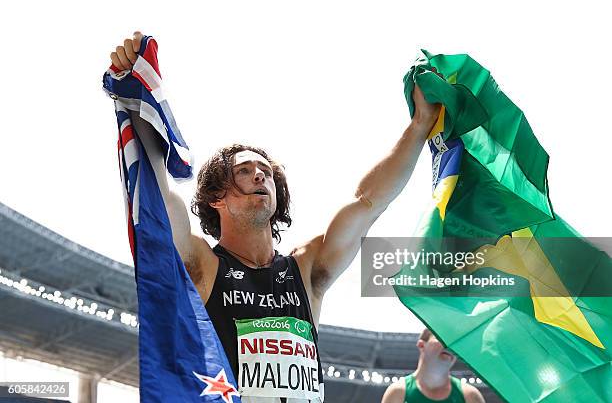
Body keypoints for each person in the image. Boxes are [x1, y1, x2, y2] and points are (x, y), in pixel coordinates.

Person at [109, 31, 441, 402]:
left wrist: (419, 127)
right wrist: (137, 98)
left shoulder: (307, 269)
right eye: (244, 170)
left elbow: (367, 203)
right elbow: (159, 200)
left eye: (265, 171)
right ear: (217, 198)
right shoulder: (203, 265)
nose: (260, 175)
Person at [381, 329, 485, 403]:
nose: (449, 346)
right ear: (422, 345)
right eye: (442, 338)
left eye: (454, 343)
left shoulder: (470, 395)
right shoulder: (397, 392)